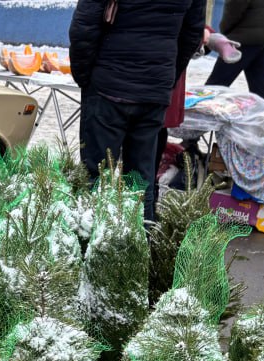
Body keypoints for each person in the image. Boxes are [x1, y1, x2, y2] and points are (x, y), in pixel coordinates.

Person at [69, 0, 205, 222]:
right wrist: (164, 77)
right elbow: (192, 34)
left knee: (94, 176)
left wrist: (85, 77)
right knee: (140, 180)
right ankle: (140, 248)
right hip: (151, 90)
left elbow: (84, 26)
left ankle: (87, 247)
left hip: (108, 87)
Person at [205, 0, 264, 103]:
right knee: (262, 93)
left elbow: (234, 7)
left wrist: (224, 30)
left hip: (244, 38)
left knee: (214, 86)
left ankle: (200, 115)